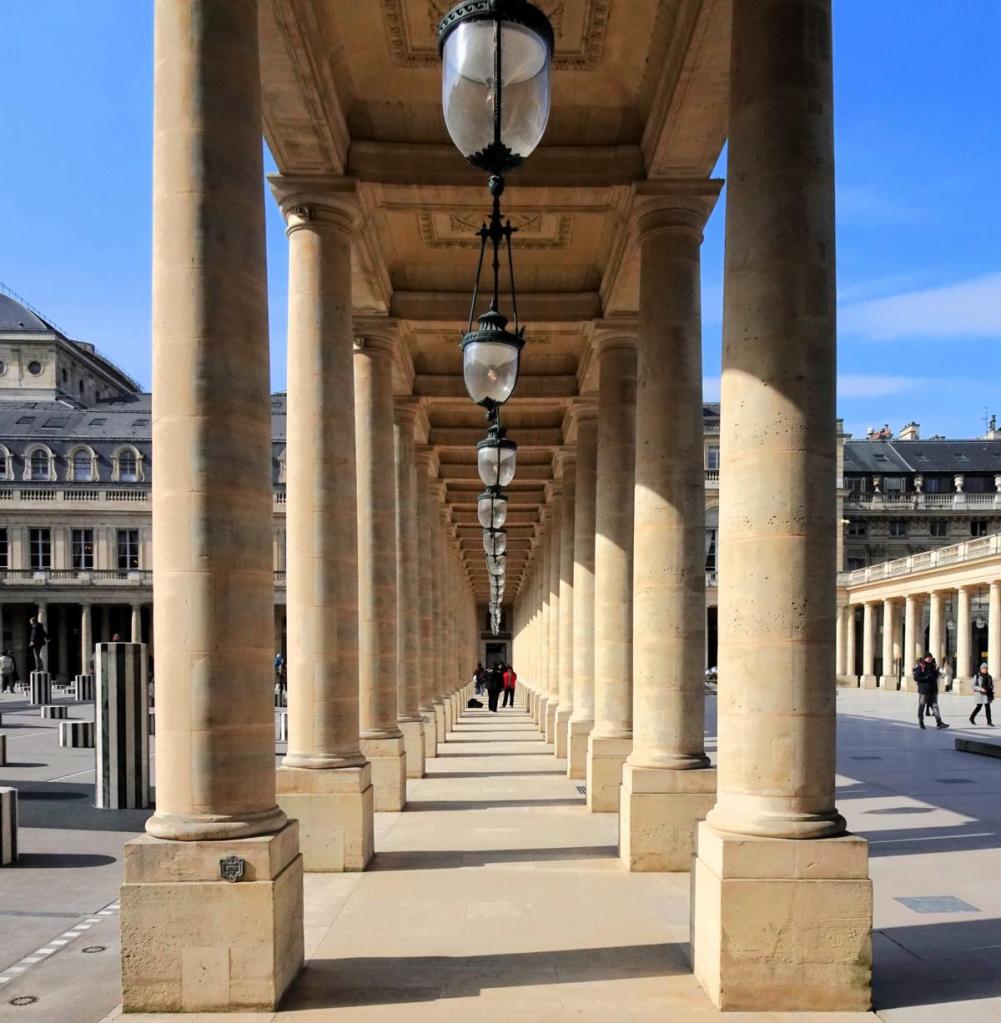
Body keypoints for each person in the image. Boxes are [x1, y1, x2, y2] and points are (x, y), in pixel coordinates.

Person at [913, 653, 948, 730]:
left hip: (933, 690)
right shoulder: (921, 666)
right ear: (925, 658)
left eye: (930, 657)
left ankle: (939, 722)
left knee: (935, 706)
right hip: (924, 691)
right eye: (928, 657)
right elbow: (916, 678)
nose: (930, 659)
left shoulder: (933, 666)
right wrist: (926, 677)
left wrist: (936, 674)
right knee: (922, 706)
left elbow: (935, 676)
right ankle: (921, 722)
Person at [970, 662, 994, 727]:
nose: (985, 669)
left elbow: (992, 685)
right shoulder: (977, 676)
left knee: (988, 708)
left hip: (987, 694)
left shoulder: (989, 677)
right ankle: (971, 718)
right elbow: (972, 686)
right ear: (981, 669)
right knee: (979, 707)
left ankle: (989, 722)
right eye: (983, 668)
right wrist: (980, 689)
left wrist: (990, 688)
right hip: (979, 694)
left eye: (986, 668)